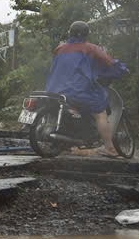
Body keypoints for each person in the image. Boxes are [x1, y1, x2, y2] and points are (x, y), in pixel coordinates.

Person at [44, 20, 129, 156]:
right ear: (86, 34)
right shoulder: (90, 48)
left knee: (80, 106)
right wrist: (122, 69)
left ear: (69, 33)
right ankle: (109, 148)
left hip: (53, 88)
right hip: (77, 90)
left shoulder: (59, 49)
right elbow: (109, 62)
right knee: (100, 112)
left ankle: (71, 140)